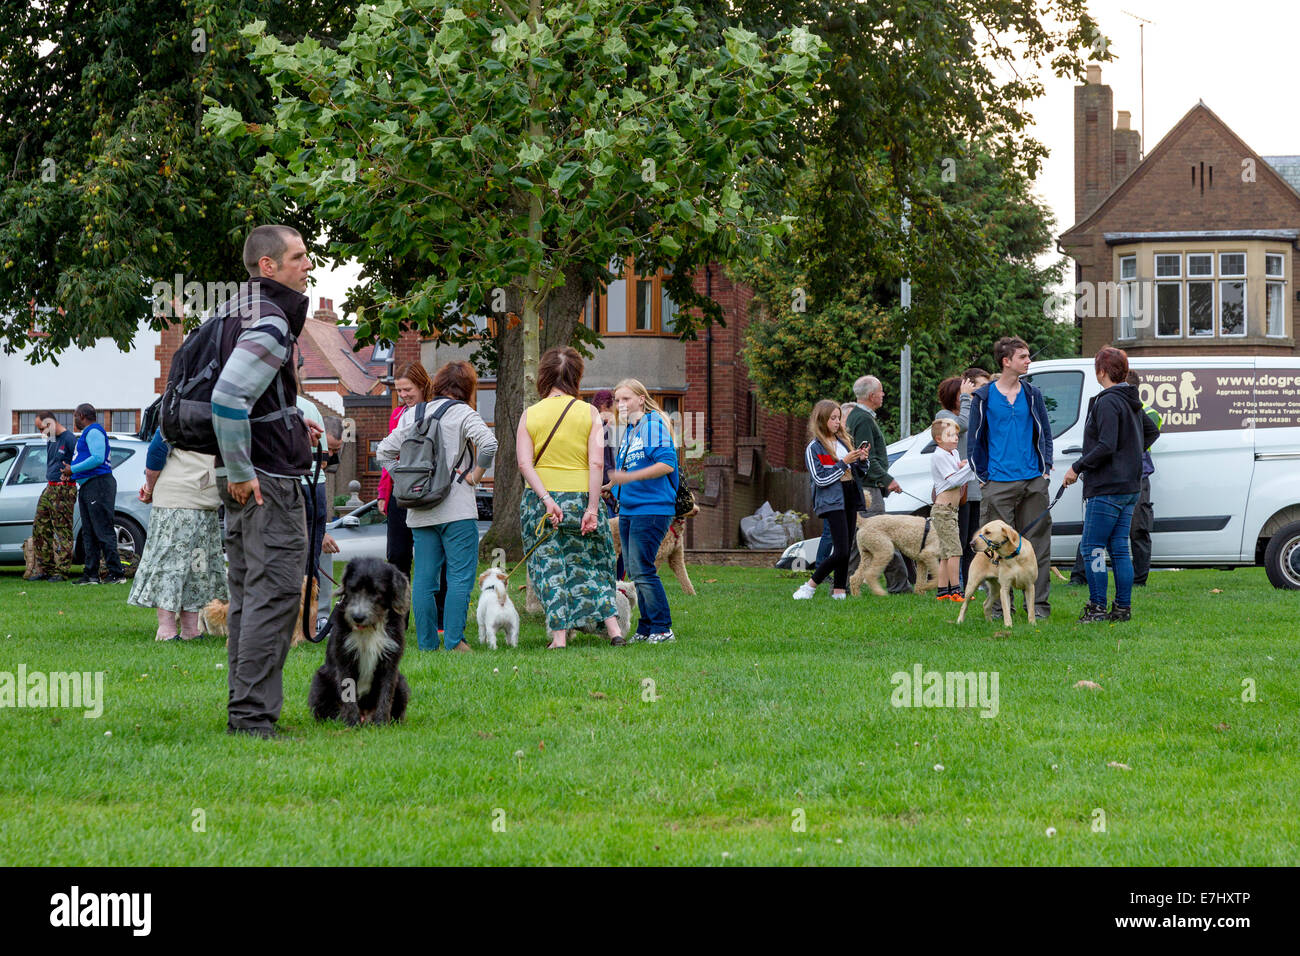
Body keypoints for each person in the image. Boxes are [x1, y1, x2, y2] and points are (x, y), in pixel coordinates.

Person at [211, 224, 321, 739]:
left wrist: (294, 419)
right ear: (268, 266)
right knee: (275, 594)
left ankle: (244, 708)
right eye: (298, 257)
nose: (307, 265)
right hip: (264, 481)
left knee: (247, 594)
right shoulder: (271, 319)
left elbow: (250, 400)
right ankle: (252, 717)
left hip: (243, 476)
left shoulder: (229, 313)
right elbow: (229, 398)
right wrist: (242, 472)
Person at [377, 360, 497, 652]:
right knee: (459, 576)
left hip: (419, 509)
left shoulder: (413, 413)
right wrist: (475, 476)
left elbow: (383, 452)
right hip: (456, 507)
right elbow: (490, 444)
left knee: (423, 579)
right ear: (467, 388)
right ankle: (455, 641)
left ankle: (427, 643)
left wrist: (403, 480)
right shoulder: (463, 412)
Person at [517, 346, 624, 649]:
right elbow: (597, 463)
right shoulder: (589, 412)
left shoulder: (530, 415)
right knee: (593, 561)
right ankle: (614, 630)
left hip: (541, 500)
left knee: (549, 564)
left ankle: (560, 638)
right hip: (582, 494)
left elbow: (525, 464)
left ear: (544, 376)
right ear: (576, 376)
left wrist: (547, 499)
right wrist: (592, 507)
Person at [1061, 347, 1159, 622]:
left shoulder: (1106, 401)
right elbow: (1152, 431)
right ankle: (1122, 608)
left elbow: (1106, 444)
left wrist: (1076, 468)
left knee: (1092, 547)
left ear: (1101, 372)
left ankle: (1097, 607)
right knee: (1118, 548)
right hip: (1130, 487)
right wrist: (1130, 454)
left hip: (1107, 488)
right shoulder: (1131, 400)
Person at [968, 336, 1054, 620]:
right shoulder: (984, 397)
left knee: (1038, 546)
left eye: (1028, 356)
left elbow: (1045, 434)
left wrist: (1045, 467)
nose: (1028, 361)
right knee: (994, 550)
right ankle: (998, 608)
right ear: (1006, 361)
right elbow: (974, 441)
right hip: (998, 482)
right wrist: (983, 477)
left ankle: (1038, 608)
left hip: (1033, 480)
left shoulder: (1033, 394)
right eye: (1023, 357)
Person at [129, 429, 228, 640]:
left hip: (195, 501)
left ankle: (186, 629)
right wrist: (149, 487)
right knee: (181, 565)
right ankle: (169, 630)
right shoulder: (200, 411)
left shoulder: (187, 412)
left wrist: (149, 488)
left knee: (191, 566)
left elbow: (156, 452)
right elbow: (156, 452)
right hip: (186, 500)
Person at [608, 378, 680, 642]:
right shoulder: (631, 429)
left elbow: (666, 465)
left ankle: (663, 628)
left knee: (643, 569)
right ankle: (646, 627)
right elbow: (631, 470)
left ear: (641, 399)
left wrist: (630, 479)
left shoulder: (652, 425)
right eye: (617, 400)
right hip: (629, 509)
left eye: (626, 399)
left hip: (651, 509)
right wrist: (612, 484)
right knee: (636, 571)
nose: (620, 404)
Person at [378, 361, 447, 633]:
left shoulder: (437, 411)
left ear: (422, 385)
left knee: (435, 556)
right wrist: (385, 493)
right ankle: (397, 622)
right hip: (400, 492)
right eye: (399, 391)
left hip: (429, 492)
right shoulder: (397, 415)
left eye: (408, 389)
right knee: (397, 555)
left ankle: (439, 620)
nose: (404, 395)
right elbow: (388, 456)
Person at [793, 400, 870, 600]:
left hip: (850, 495)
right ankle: (809, 586)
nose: (837, 422)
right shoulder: (815, 447)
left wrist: (861, 460)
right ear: (822, 420)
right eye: (833, 418)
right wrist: (843, 463)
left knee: (847, 546)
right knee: (841, 550)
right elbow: (820, 478)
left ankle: (839, 592)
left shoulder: (844, 442)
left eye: (839, 418)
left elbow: (858, 473)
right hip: (831, 500)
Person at [846, 376, 910, 593]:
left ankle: (842, 585)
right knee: (882, 537)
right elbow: (865, 457)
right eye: (881, 391)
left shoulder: (859, 417)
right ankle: (899, 586)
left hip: (866, 485)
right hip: (868, 488)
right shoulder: (863, 419)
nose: (883, 395)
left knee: (861, 540)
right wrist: (887, 480)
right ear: (872, 395)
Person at [936, 369, 990, 589]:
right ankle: (949, 586)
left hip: (973, 487)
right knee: (955, 541)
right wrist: (967, 397)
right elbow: (962, 426)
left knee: (970, 540)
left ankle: (969, 584)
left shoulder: (970, 411)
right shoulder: (943, 416)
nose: (967, 395)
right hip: (956, 490)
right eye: (962, 392)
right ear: (953, 396)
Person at [63, 404, 126, 585]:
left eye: (75, 415)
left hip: (99, 484)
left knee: (103, 529)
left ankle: (116, 573)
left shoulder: (94, 431)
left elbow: (98, 458)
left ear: (82, 415)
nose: (74, 419)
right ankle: (91, 574)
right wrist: (72, 474)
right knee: (89, 532)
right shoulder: (88, 433)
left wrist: (72, 469)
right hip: (88, 485)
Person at [929, 419, 975, 601]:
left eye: (956, 434)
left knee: (946, 553)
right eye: (950, 435)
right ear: (938, 439)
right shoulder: (939, 455)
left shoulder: (953, 453)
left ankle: (942, 592)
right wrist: (971, 466)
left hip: (952, 511)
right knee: (955, 551)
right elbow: (954, 480)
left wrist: (964, 466)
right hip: (943, 510)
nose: (955, 438)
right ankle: (956, 591)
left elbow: (960, 474)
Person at [29, 411, 78, 582]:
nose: (41, 432)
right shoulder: (51, 440)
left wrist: (71, 473)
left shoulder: (70, 439)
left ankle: (62, 571)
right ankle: (45, 568)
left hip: (64, 489)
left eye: (41, 428)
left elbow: (79, 464)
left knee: (62, 530)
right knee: (40, 528)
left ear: (50, 423)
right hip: (50, 487)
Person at [591, 389, 625, 581]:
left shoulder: (601, 426)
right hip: (605, 497)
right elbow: (602, 463)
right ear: (605, 406)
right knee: (614, 545)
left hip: (604, 494)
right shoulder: (601, 428)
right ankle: (615, 583)